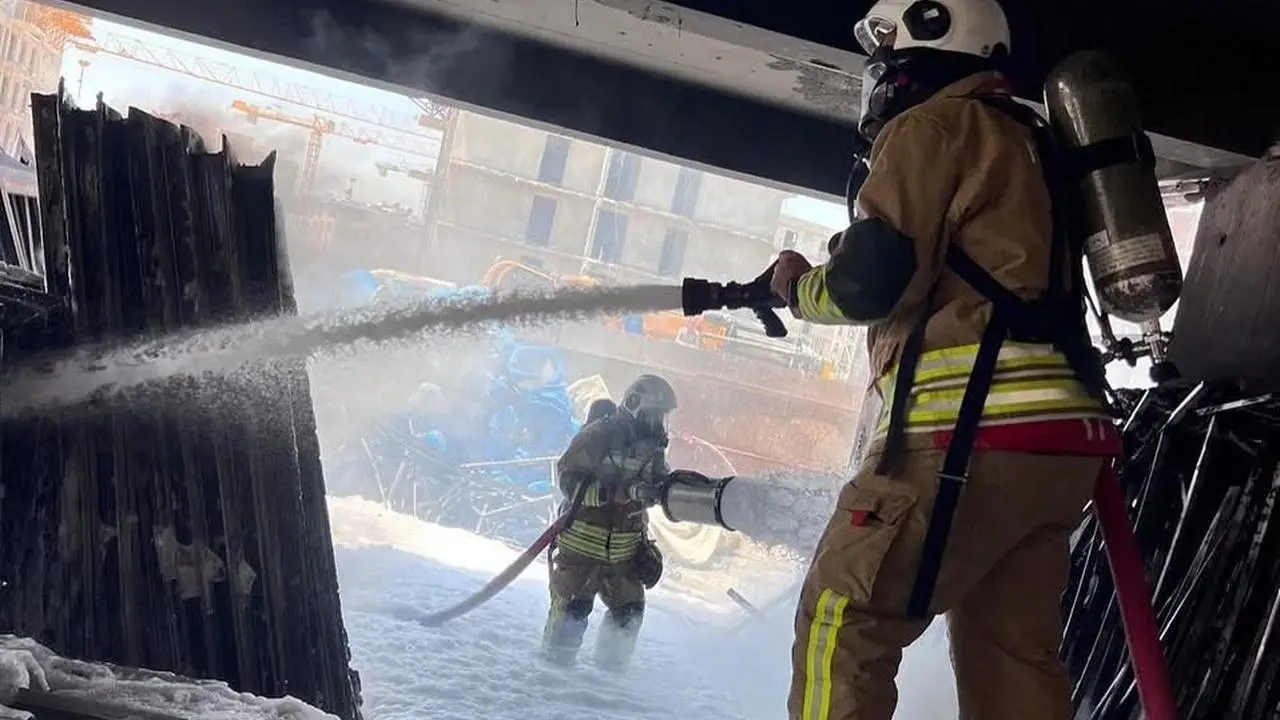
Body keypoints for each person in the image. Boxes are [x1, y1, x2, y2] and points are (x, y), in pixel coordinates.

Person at [767, 1, 1122, 718]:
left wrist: (798, 288)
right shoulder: (1032, 140)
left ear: (925, 43)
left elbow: (868, 283)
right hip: (1059, 452)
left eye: (886, 54)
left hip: (965, 438)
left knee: (844, 614)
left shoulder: (932, 127)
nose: (880, 75)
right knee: (1010, 656)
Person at [540, 375, 674, 671]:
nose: (657, 424)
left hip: (624, 554)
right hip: (581, 550)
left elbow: (660, 481)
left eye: (661, 417)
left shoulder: (654, 450)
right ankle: (550, 683)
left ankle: (608, 685)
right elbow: (568, 478)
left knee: (629, 614)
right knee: (571, 616)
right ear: (634, 405)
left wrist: (668, 489)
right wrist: (609, 494)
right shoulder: (598, 435)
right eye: (653, 415)